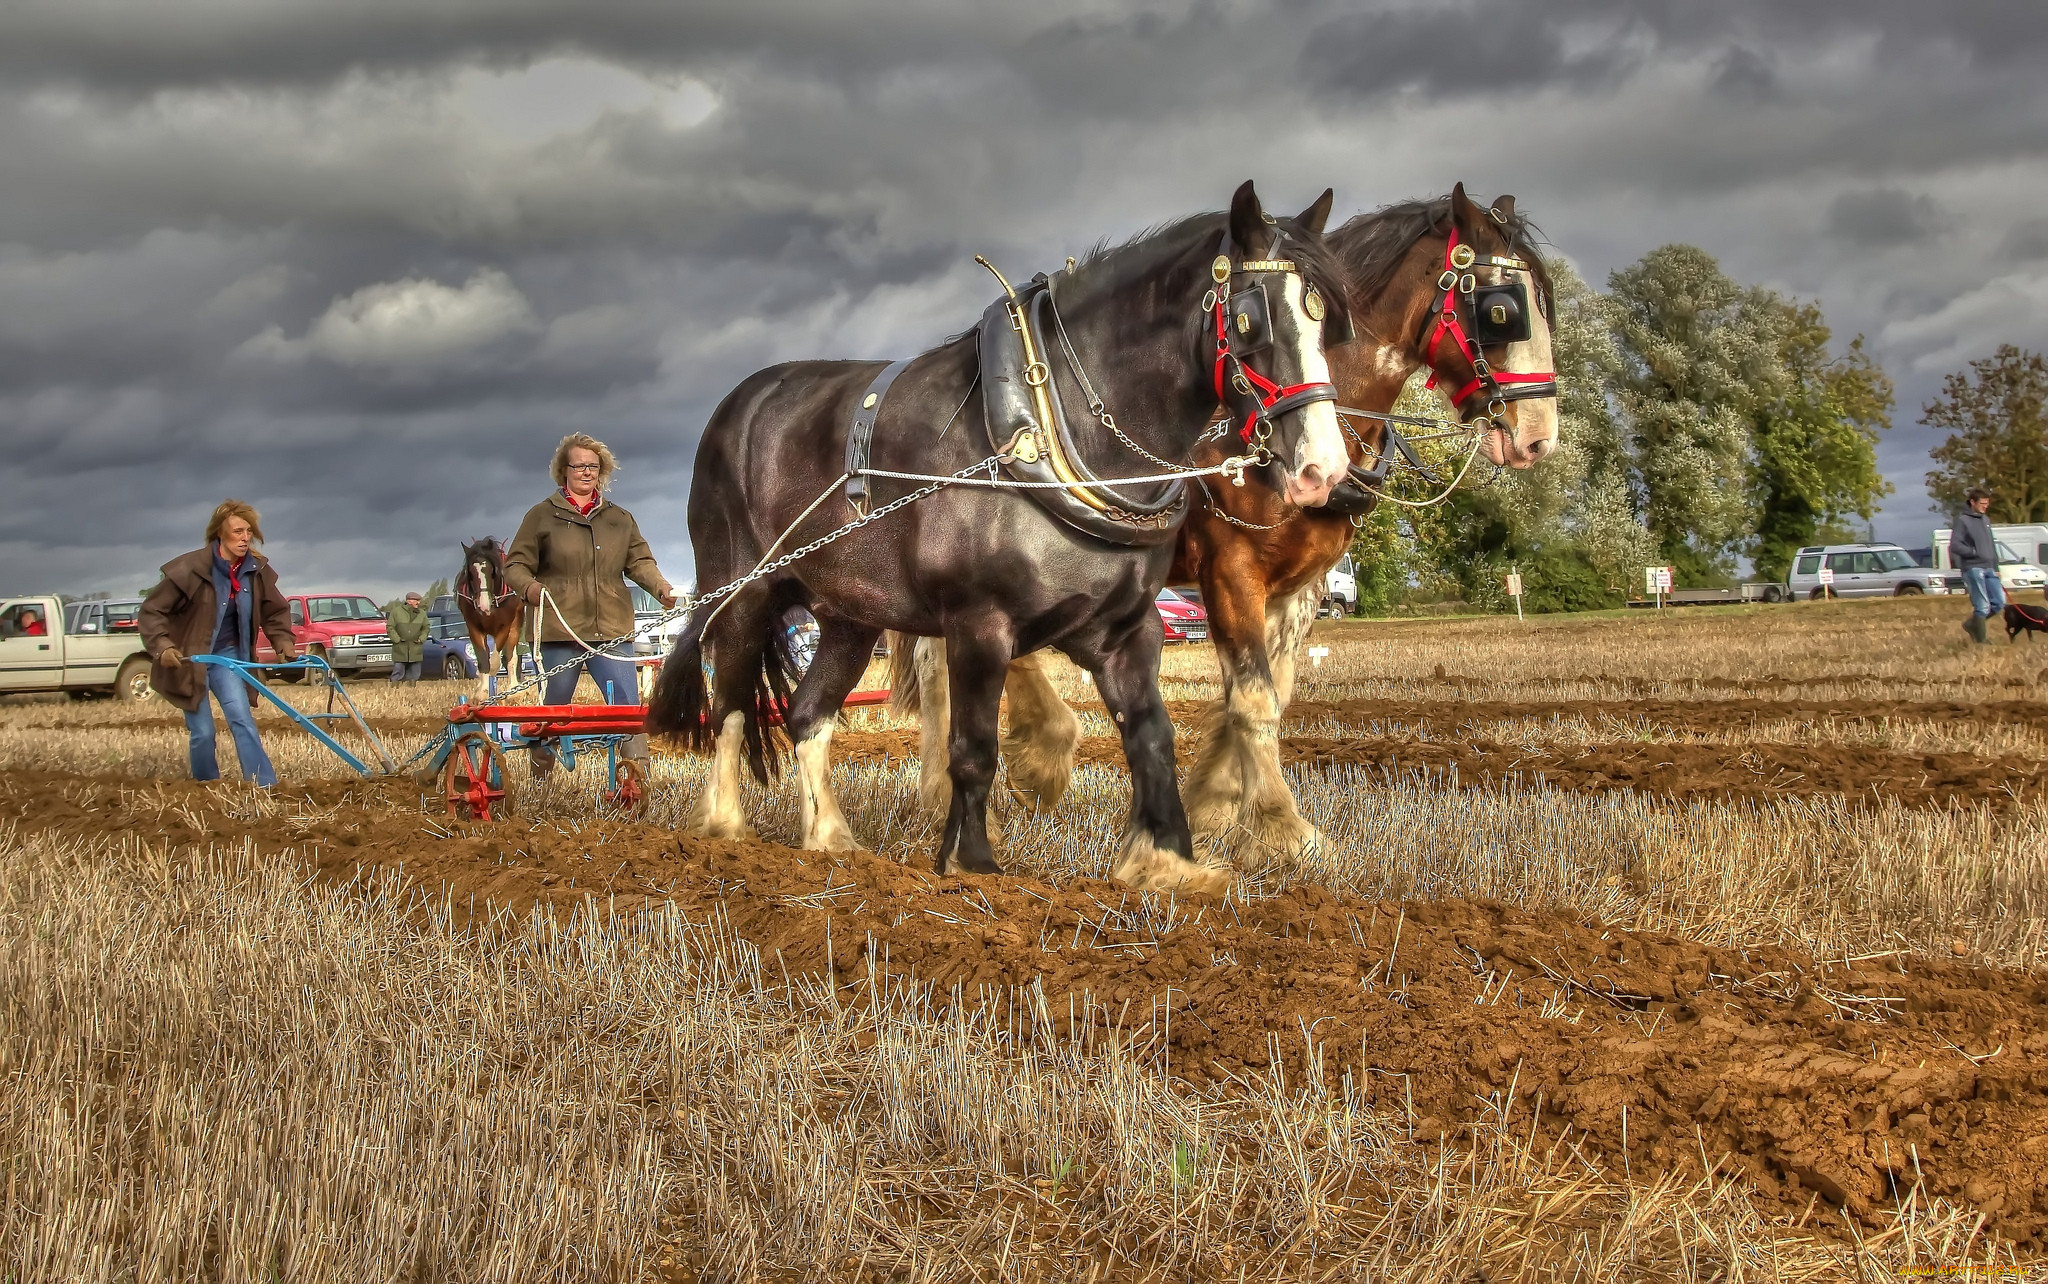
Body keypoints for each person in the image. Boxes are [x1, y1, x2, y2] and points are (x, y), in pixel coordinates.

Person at [504, 433, 677, 779]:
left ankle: (638, 780)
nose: (586, 472)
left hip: (612, 629)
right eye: (579, 466)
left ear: (602, 472)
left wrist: (662, 588)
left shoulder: (620, 519)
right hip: (559, 629)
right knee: (553, 710)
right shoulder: (541, 516)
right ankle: (541, 777)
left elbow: (640, 561)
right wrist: (530, 589)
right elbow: (515, 566)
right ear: (563, 471)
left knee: (627, 708)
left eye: (593, 467)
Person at [139, 499, 297, 787]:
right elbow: (152, 612)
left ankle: (264, 784)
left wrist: (283, 641)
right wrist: (162, 647)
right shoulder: (190, 569)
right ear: (219, 534)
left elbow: (275, 611)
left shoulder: (255, 570)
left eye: (248, 531)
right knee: (203, 732)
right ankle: (207, 785)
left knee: (241, 718)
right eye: (237, 531)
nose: (245, 538)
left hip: (226, 656)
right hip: (189, 659)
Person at [1950, 486, 2005, 644]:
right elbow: (1955, 545)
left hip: (1989, 568)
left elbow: (1991, 545)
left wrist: (1996, 567)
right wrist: (1974, 552)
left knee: (1998, 602)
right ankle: (1981, 641)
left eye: (1987, 503)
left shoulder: (1986, 520)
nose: (1985, 506)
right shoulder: (1963, 521)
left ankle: (1972, 624)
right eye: (1982, 503)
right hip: (1973, 568)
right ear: (1972, 502)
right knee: (1982, 605)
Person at [386, 591, 430, 683]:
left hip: (415, 647)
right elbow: (390, 627)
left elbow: (426, 628)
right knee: (398, 669)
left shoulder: (422, 613)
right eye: (416, 600)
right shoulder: (396, 612)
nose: (418, 603)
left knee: (415, 672)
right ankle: (395, 687)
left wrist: (421, 639)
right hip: (400, 647)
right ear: (409, 601)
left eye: (419, 600)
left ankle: (412, 687)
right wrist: (397, 639)